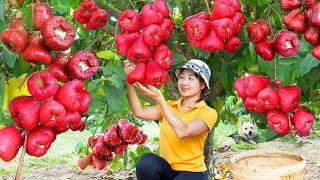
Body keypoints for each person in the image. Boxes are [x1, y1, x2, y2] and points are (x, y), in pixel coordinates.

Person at [124, 59, 218, 180]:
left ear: (202, 85)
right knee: (146, 163)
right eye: (182, 77)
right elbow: (139, 112)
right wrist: (130, 79)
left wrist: (160, 100)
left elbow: (184, 131)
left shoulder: (208, 112)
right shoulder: (170, 106)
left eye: (191, 79)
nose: (184, 82)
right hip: (167, 170)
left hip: (193, 173)